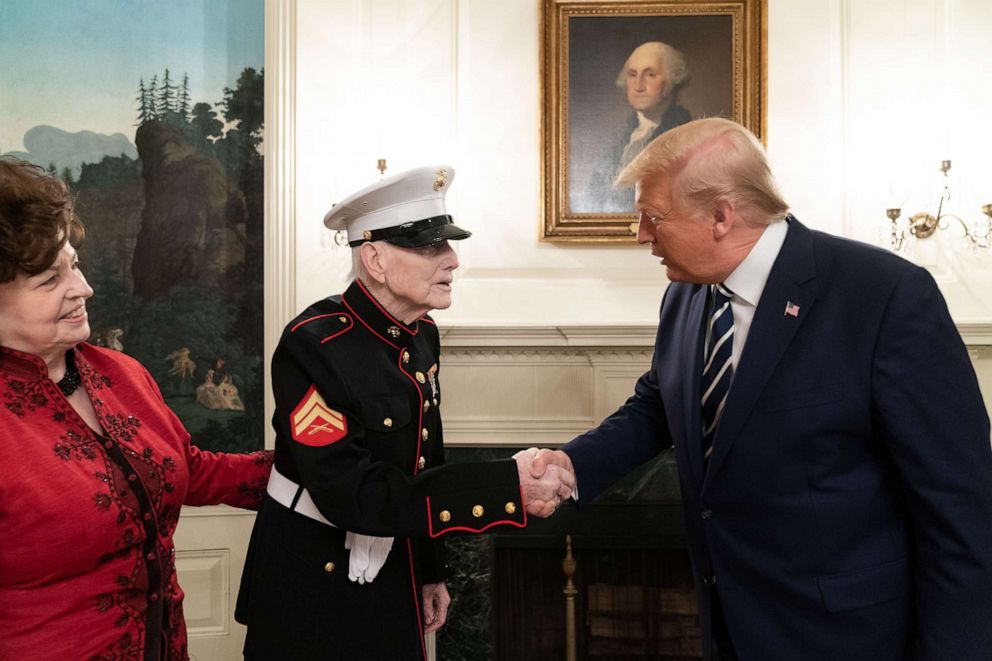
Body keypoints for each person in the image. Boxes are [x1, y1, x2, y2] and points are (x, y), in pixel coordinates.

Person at [526, 118, 992, 660]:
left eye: (653, 218)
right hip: (730, 627)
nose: (642, 236)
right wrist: (571, 466)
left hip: (850, 637)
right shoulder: (687, 294)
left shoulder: (882, 295)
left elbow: (960, 510)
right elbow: (659, 405)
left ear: (721, 216)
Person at [235, 165, 574, 660]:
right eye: (431, 246)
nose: (453, 259)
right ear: (373, 258)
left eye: (449, 244)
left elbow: (421, 461)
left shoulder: (422, 334)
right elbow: (352, 493)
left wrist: (430, 570)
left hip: (394, 560)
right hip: (310, 580)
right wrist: (506, 484)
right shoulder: (312, 344)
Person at [0, 156, 274, 660]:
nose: (83, 289)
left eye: (74, 265)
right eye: (48, 281)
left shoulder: (119, 373)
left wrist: (315, 465)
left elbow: (188, 469)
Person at [585, 41, 692, 213]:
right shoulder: (619, 141)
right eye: (633, 75)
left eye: (650, 75)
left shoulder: (688, 138)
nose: (638, 86)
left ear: (672, 81)